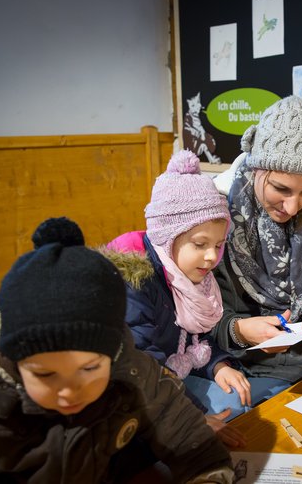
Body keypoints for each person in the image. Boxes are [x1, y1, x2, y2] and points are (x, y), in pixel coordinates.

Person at [0, 217, 233, 483]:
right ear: (15, 361)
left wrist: (206, 473)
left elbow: (183, 428)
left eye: (90, 370)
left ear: (112, 355)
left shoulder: (130, 369)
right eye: (45, 374)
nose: (70, 391)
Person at [211, 95, 302, 413]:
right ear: (256, 167)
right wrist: (237, 330)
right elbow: (190, 316)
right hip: (226, 365)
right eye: (280, 188)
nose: (292, 206)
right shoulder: (214, 207)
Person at [103, 150, 250, 439]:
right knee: (223, 415)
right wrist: (192, 418)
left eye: (219, 245)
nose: (211, 257)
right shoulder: (135, 283)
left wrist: (218, 364)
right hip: (134, 392)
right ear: (167, 237)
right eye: (199, 243)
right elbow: (141, 368)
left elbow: (199, 335)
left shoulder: (190, 273)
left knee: (233, 397)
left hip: (169, 376)